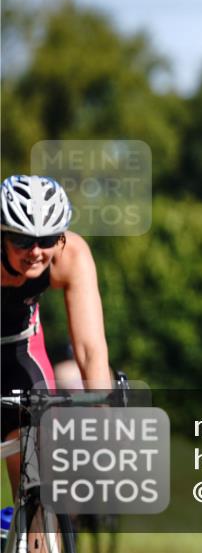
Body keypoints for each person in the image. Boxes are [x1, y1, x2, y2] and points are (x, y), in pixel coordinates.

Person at [1, 175, 112, 495]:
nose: (36, 251)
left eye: (47, 238)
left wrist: (102, 409)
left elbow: (90, 348)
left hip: (20, 352)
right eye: (22, 240)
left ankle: (36, 532)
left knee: (39, 480)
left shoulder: (71, 255)